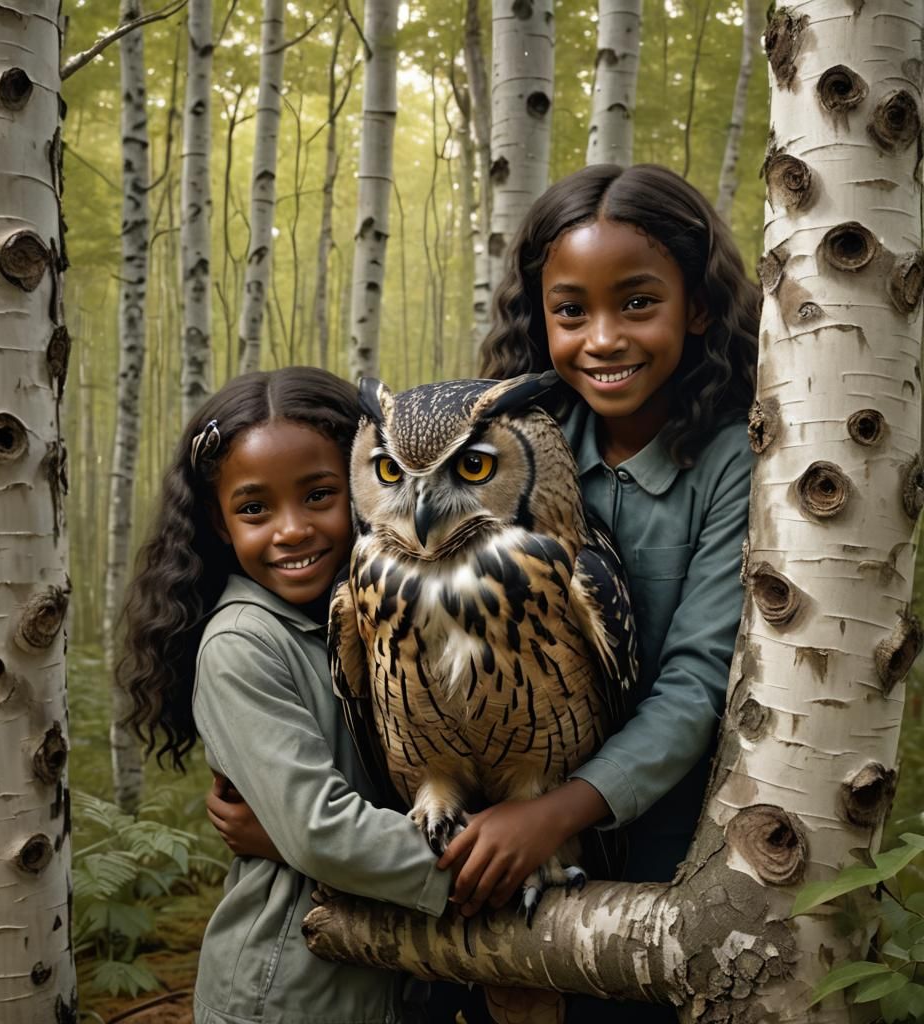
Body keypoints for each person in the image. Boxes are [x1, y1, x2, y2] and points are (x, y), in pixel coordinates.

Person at [434, 162, 759, 1020]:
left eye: (638, 303)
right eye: (572, 310)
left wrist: (558, 814)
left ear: (698, 308)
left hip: (658, 859)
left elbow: (696, 683)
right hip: (496, 840)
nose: (603, 337)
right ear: (540, 320)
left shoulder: (736, 459)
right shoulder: (497, 448)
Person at [119, 367, 452, 1024]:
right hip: (290, 988)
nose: (291, 529)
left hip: (397, 974)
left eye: (319, 494)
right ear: (218, 523)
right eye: (254, 509)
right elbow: (321, 832)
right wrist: (488, 863)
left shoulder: (391, 610)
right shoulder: (243, 643)